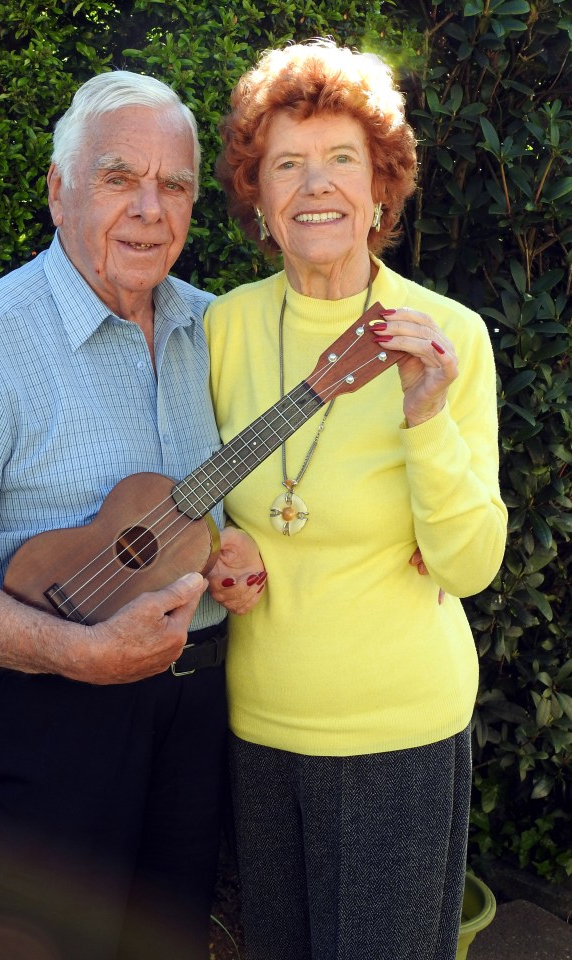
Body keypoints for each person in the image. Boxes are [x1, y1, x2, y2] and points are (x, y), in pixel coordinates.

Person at [0, 71, 263, 960]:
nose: (149, 210)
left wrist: (234, 548)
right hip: (38, 711)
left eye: (173, 185)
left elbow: (243, 504)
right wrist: (82, 655)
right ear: (59, 191)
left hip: (192, 709)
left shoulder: (214, 330)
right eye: (119, 178)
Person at [204, 40, 508, 960]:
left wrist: (426, 415)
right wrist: (220, 540)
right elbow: (196, 490)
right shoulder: (221, 328)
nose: (316, 185)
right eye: (286, 164)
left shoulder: (447, 337)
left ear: (382, 188)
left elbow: (470, 563)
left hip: (400, 734)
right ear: (257, 198)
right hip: (260, 725)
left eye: (343, 159)